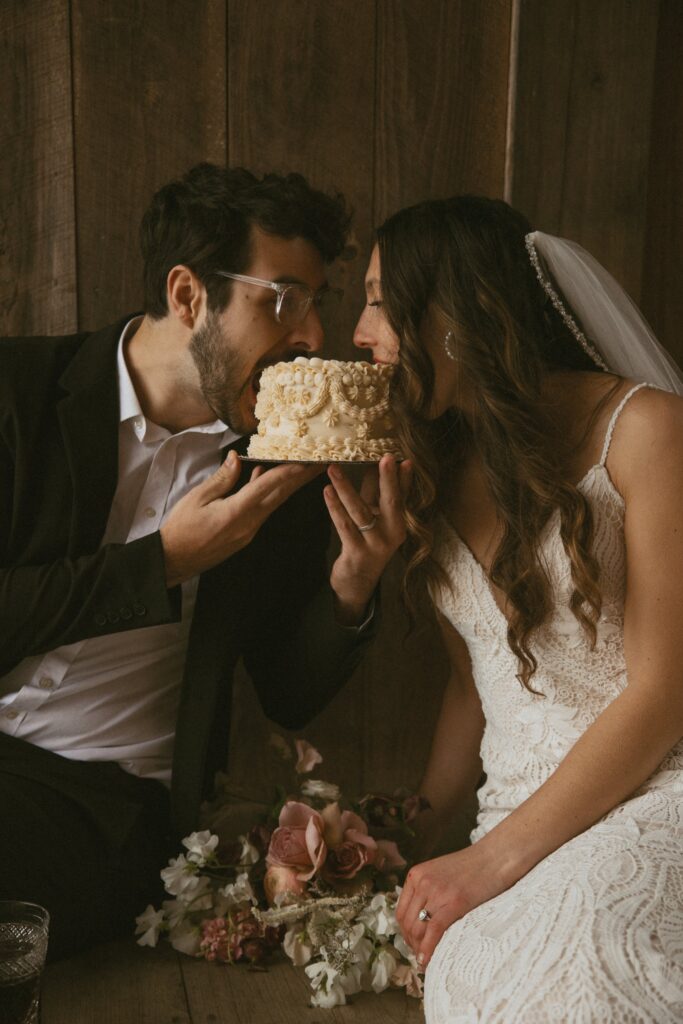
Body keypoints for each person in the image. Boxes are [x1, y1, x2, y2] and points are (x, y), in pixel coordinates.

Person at [0, 163, 411, 961]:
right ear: (189, 295)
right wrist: (158, 564)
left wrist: (350, 589)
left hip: (103, 799)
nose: (313, 338)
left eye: (317, 304)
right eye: (281, 299)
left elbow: (286, 692)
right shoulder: (16, 390)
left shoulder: (280, 464)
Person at [353, 195, 683, 1022]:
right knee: (474, 981)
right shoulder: (426, 470)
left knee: (583, 957)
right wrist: (410, 843)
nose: (359, 333)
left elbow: (663, 693)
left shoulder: (646, 431)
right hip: (507, 818)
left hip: (655, 792)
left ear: (457, 314)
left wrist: (488, 864)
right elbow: (477, 688)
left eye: (376, 301)